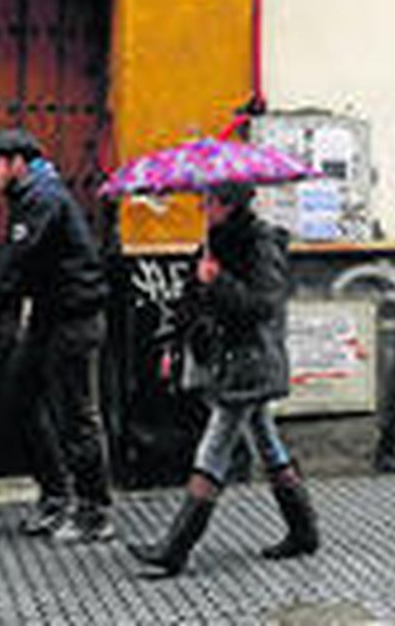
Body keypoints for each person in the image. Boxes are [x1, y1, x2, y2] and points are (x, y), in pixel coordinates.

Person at [128, 181, 319, 576]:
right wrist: (173, 344)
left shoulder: (260, 243)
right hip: (227, 360)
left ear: (228, 204)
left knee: (214, 448)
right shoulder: (215, 241)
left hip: (250, 362)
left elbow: (263, 305)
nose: (202, 207)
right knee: (267, 442)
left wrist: (219, 282)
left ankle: (175, 547)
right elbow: (192, 299)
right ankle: (304, 531)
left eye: (209, 201)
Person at [0, 128, 114, 543]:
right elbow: (17, 265)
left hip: (73, 321)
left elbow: (16, 263)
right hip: (47, 318)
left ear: (16, 162)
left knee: (76, 416)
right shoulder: (31, 197)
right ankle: (57, 496)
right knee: (21, 399)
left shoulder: (43, 199)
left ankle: (95, 513)